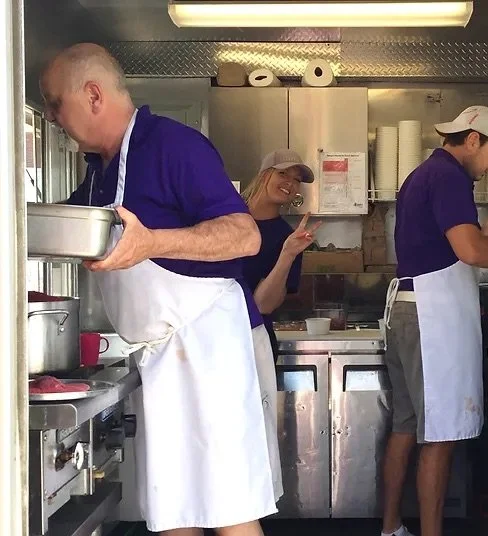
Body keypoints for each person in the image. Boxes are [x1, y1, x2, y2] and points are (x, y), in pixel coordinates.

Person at [40, 43, 282, 536]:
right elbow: (61, 226)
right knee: (174, 510)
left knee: (229, 510)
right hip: (158, 355)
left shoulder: (175, 146)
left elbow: (245, 234)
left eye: (53, 103)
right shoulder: (99, 171)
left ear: (92, 95)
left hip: (206, 348)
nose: (51, 116)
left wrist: (152, 242)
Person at [381, 106, 488, 536]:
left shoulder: (425, 174)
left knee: (405, 426)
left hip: (407, 309)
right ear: (473, 140)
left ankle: (390, 529)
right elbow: (470, 252)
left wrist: (484, 237)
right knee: (440, 435)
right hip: (431, 320)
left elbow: (458, 246)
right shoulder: (450, 177)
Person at [242, 149, 321, 362]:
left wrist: (287, 254)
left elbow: (263, 306)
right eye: (283, 174)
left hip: (255, 343)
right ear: (265, 174)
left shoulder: (288, 238)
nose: (290, 183)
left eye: (297, 180)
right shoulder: (227, 217)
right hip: (211, 338)